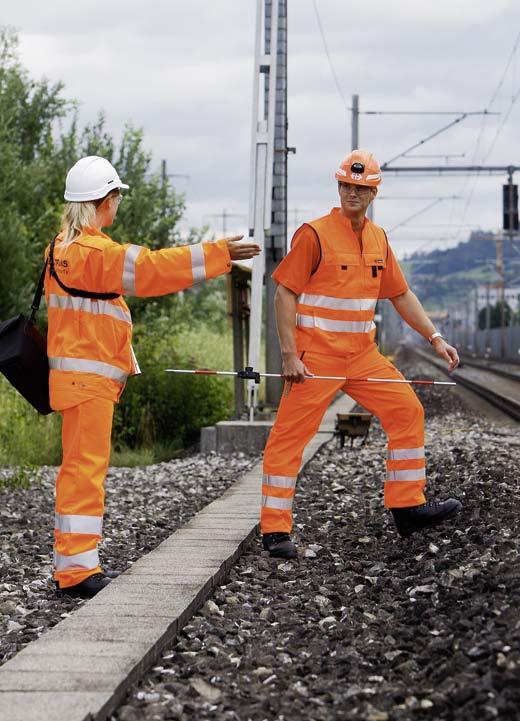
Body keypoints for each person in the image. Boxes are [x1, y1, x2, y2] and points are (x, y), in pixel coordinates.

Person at [47, 155, 260, 596]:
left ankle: (73, 564)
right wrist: (218, 254)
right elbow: (153, 270)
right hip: (87, 382)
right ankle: (77, 571)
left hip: (73, 378)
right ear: (106, 200)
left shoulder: (60, 248)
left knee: (78, 469)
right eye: (117, 197)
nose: (118, 204)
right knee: (86, 470)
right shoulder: (94, 253)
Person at [260, 149, 462, 559]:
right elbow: (285, 293)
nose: (353, 193)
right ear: (339, 187)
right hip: (314, 357)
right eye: (347, 186)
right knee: (289, 439)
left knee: (408, 411)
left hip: (363, 356)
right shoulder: (313, 235)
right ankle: (275, 530)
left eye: (362, 188)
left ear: (373, 193)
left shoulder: (378, 239)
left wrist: (434, 337)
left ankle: (408, 507)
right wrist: (288, 355)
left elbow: (400, 294)